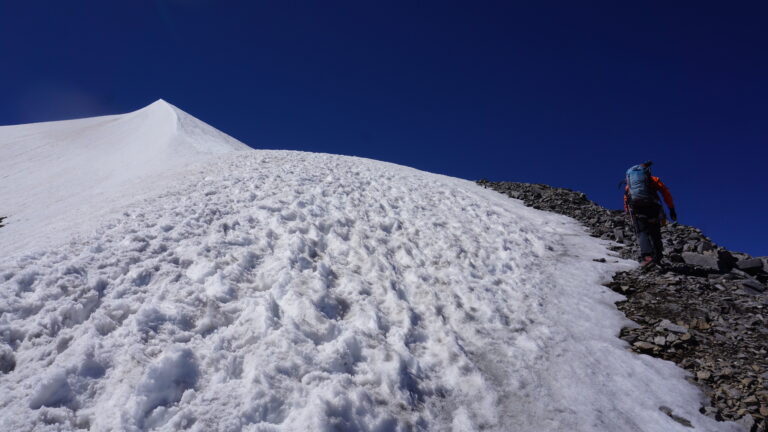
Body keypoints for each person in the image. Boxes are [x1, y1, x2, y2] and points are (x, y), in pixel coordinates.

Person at [624, 161, 676, 266]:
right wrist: (671, 209)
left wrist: (627, 211)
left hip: (637, 209)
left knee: (642, 232)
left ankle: (647, 256)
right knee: (655, 232)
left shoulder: (629, 185)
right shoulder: (654, 180)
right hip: (653, 207)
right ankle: (658, 257)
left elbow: (626, 198)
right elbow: (666, 193)